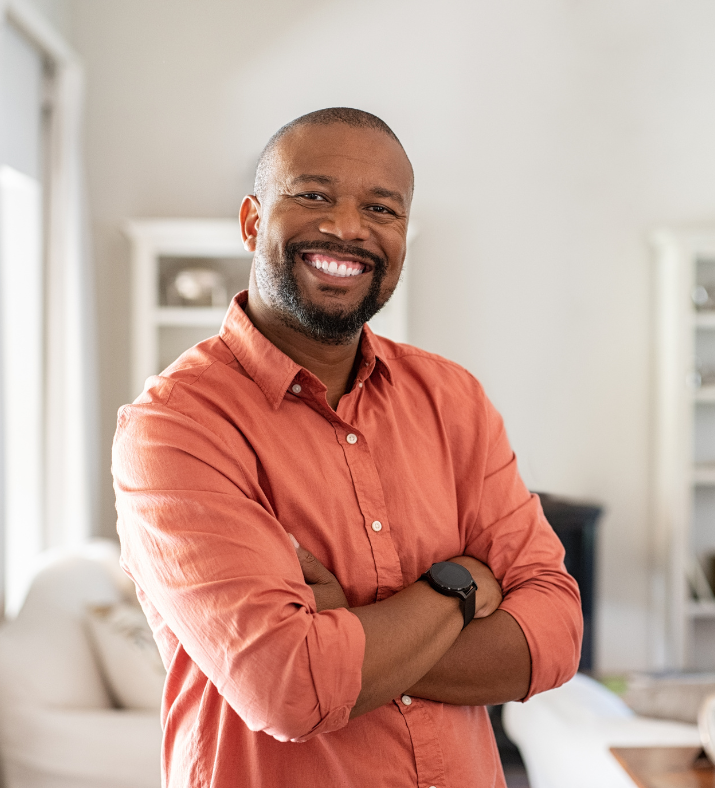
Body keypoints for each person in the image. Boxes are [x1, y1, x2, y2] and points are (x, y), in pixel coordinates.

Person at [113, 107, 583, 788]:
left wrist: (348, 630)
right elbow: (289, 686)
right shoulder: (176, 428)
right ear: (252, 221)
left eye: (381, 209)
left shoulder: (454, 400)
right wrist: (455, 591)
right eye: (313, 195)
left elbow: (556, 635)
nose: (348, 227)